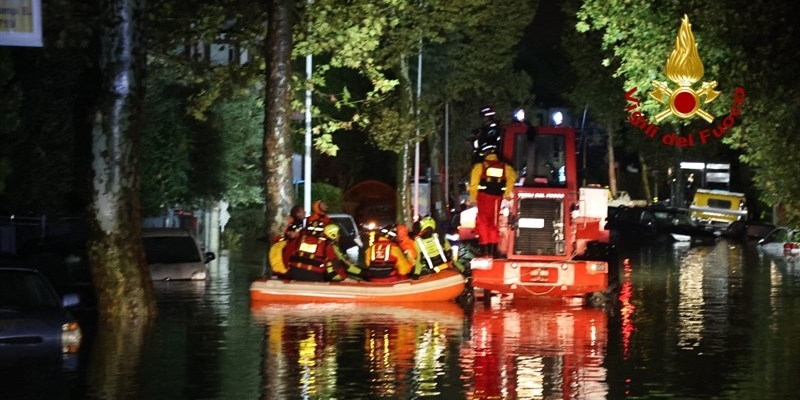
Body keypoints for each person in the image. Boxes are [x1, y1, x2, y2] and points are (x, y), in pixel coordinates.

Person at [468, 128, 517, 258]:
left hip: (483, 199)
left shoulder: (479, 167)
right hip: (497, 199)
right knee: (494, 224)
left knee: (483, 224)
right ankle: (493, 252)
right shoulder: (505, 167)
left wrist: (473, 198)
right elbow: (512, 178)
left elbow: (473, 185)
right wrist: (506, 194)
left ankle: (485, 252)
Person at [286, 224, 364, 282]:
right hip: (314, 276)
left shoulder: (299, 240)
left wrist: (286, 272)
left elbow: (287, 254)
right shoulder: (326, 245)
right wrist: (345, 278)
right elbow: (336, 263)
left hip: (294, 273)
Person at [269, 205, 306, 277]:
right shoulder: (295, 224)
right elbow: (292, 234)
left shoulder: (296, 223)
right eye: (302, 211)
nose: (305, 212)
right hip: (290, 245)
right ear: (297, 213)